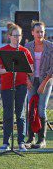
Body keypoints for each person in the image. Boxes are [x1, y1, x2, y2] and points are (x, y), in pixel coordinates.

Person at [0, 22, 34, 152]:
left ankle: (21, 142)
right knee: (8, 114)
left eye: (19, 36)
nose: (17, 38)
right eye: (15, 35)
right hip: (6, 86)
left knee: (20, 114)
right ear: (9, 36)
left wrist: (23, 66)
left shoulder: (24, 51)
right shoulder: (3, 51)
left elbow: (32, 70)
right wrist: (9, 69)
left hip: (21, 86)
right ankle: (6, 142)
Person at [24, 21, 52, 149]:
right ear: (32, 33)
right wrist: (27, 80)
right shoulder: (27, 46)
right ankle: (30, 138)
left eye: (42, 31)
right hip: (31, 80)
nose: (40, 34)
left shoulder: (50, 47)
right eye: (37, 31)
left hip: (46, 80)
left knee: (41, 109)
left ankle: (42, 139)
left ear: (44, 32)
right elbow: (22, 65)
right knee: (31, 108)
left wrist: (44, 83)